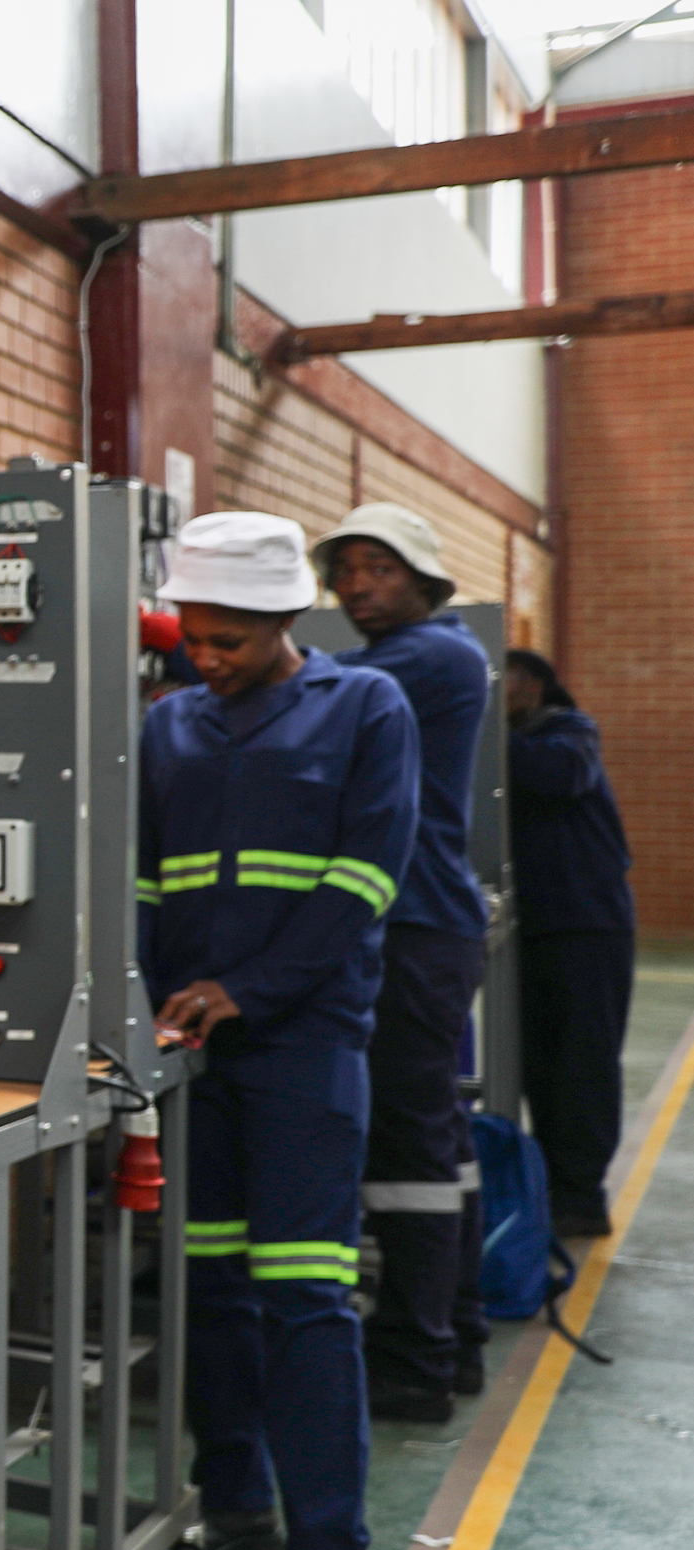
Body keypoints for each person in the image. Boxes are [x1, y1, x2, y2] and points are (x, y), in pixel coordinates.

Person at [142, 511, 419, 1550]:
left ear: (285, 621)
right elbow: (153, 886)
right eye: (193, 640)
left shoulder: (365, 707)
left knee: (305, 1293)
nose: (207, 660)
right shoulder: (169, 727)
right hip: (193, 1041)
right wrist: (147, 1001)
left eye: (230, 643)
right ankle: (241, 1499)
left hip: (305, 1041)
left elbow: (365, 878)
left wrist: (249, 988)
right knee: (206, 1282)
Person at [313, 506, 492, 1422]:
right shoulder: (413, 657)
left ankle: (413, 1362)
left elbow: (309, 692)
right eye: (343, 569)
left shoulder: (432, 654)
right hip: (426, 928)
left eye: (375, 567)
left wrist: (184, 658)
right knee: (438, 1142)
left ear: (421, 577)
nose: (354, 586)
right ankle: (453, 1337)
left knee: (405, 1146)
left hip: (417, 928)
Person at [503, 648, 634, 1241]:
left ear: (531, 685)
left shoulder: (570, 734)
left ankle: (582, 1196)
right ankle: (553, 1185)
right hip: (531, 929)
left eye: (502, 682)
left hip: (587, 927)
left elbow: (554, 778)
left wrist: (475, 731)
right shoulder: (513, 745)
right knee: (538, 1066)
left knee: (582, 1064)